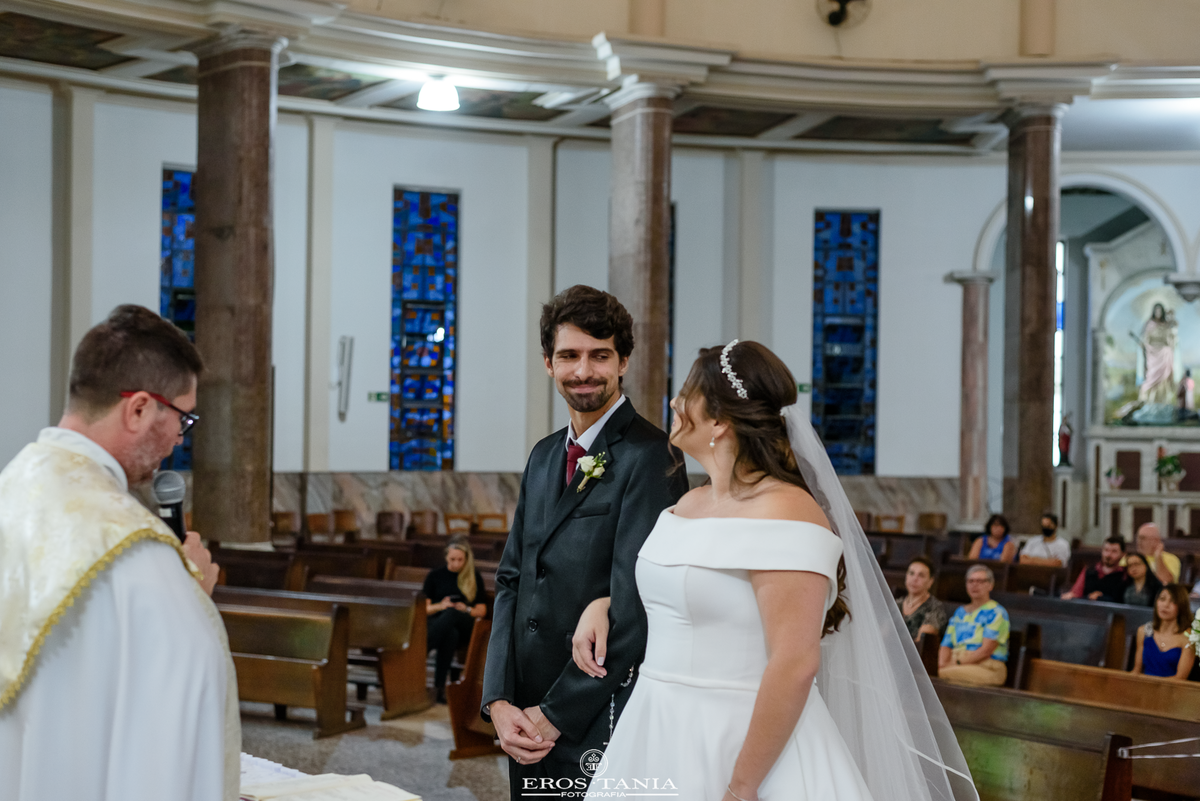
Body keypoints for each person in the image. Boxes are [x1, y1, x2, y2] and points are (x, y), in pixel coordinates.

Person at [570, 341, 973, 801]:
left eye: (686, 393)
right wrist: (603, 605)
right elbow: (682, 598)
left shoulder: (786, 512)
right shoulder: (690, 501)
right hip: (656, 722)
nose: (675, 403)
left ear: (720, 420)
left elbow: (796, 662)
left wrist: (742, 787)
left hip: (743, 740)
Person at [0, 305, 239, 801]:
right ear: (139, 409)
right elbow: (171, 741)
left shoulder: (11, 493)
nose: (179, 437)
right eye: (183, 417)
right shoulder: (134, 553)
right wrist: (188, 594)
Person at [480, 286, 689, 798]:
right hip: (525, 708)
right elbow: (512, 580)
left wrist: (556, 714)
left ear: (623, 363)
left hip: (598, 705)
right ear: (548, 363)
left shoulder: (651, 457)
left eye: (600, 356)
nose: (583, 371)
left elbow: (641, 601)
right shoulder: (544, 456)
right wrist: (500, 700)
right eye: (569, 356)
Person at [424, 538, 490, 703]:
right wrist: (442, 605)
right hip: (442, 623)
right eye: (453, 559)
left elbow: (482, 610)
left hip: (466, 624)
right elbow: (425, 608)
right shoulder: (435, 576)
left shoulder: (473, 576)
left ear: (466, 559)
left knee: (453, 613)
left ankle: (423, 648)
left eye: (460, 559)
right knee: (450, 634)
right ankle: (439, 689)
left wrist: (465, 608)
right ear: (446, 557)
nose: (456, 563)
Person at [938, 565, 1010, 687]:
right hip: (955, 663)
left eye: (980, 581)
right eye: (971, 581)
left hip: (986, 666)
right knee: (927, 671)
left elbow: (986, 651)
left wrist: (956, 663)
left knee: (936, 675)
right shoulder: (960, 612)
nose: (974, 585)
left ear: (990, 585)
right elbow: (946, 644)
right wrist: (942, 662)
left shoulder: (997, 612)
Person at [1131, 584, 1196, 680]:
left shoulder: (1188, 637)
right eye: (1162, 599)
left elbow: (1180, 678)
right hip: (1143, 689)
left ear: (1181, 605)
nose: (1165, 605)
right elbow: (1137, 670)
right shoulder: (1143, 631)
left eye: (1173, 601)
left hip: (1171, 691)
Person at [1061, 536, 1126, 602]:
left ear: (1122, 554)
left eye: (1114, 551)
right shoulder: (1090, 570)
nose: (1108, 555)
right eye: (1106, 550)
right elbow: (1076, 593)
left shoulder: (1124, 575)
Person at [898, 556, 947, 642]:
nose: (915, 579)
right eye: (911, 573)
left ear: (930, 581)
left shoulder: (935, 607)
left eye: (921, 575)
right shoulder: (896, 604)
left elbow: (923, 641)